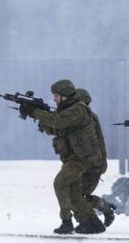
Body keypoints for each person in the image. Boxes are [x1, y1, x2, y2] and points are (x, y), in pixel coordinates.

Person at [19, 79, 105, 234]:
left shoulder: (78, 109)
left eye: (57, 96)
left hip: (84, 158)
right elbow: (55, 129)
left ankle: (67, 222)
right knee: (73, 193)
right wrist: (35, 114)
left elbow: (58, 122)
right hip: (75, 157)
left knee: (60, 183)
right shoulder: (67, 109)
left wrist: (35, 111)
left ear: (65, 95)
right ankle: (90, 222)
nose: (54, 99)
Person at [75, 88, 116, 227]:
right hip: (85, 163)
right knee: (76, 195)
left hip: (93, 165)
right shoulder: (86, 117)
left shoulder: (88, 118)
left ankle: (91, 219)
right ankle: (103, 210)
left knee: (77, 197)